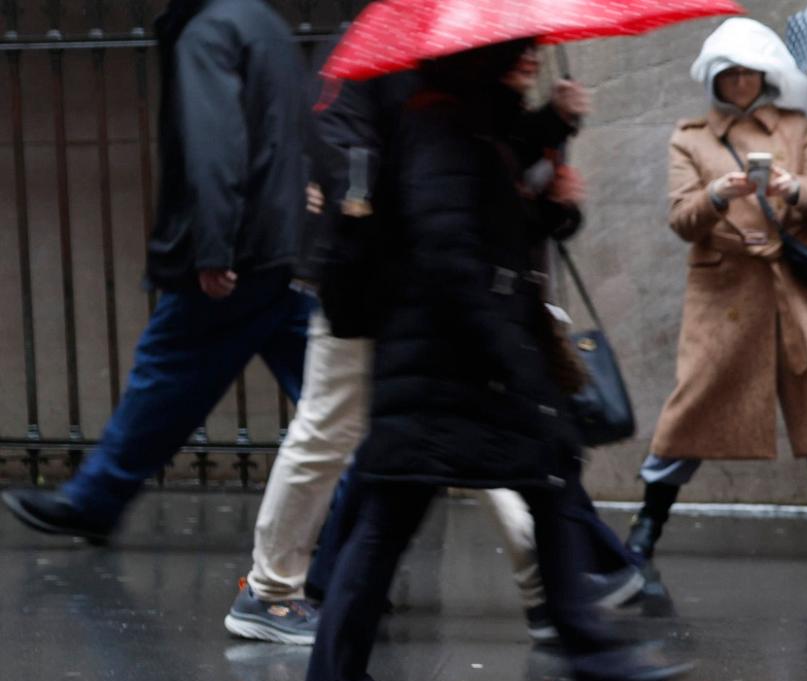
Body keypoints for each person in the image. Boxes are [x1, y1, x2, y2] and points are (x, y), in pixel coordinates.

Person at [298, 40, 686, 681]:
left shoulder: (471, 119)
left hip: (452, 363)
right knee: (398, 518)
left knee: (544, 483)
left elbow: (495, 227)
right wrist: (513, 356)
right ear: (481, 57)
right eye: (517, 53)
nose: (532, 59)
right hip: (445, 364)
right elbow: (450, 251)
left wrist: (552, 203)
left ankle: (593, 665)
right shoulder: (438, 122)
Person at [224, 40, 644, 646]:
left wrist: (551, 129)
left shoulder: (456, 63)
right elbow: (381, 167)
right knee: (334, 431)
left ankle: (546, 589)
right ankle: (269, 590)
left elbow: (483, 165)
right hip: (376, 288)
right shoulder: (384, 60)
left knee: (476, 429)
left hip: (423, 290)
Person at [2, 0, 311, 542]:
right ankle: (364, 505)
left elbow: (215, 148)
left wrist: (213, 250)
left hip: (239, 251)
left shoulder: (207, 33)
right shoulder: (267, 25)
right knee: (323, 395)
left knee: (167, 370)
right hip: (281, 245)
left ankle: (94, 498)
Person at [631, 17, 807, 565]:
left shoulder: (795, 128)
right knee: (692, 408)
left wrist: (797, 188)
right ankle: (649, 519)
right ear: (714, 80)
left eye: (750, 73)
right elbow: (680, 219)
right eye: (730, 74)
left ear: (764, 77)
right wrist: (716, 194)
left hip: (794, 289)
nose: (741, 83)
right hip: (725, 291)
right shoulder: (690, 137)